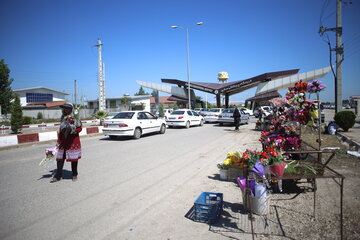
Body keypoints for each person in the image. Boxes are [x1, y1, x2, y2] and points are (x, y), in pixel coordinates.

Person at [50, 103, 82, 183]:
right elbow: (61, 129)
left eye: (67, 108)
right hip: (63, 141)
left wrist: (74, 130)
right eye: (64, 108)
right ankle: (58, 176)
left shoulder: (75, 117)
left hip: (72, 141)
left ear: (71, 109)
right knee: (60, 159)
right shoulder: (63, 117)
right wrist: (59, 140)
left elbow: (80, 128)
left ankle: (74, 175)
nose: (66, 109)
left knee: (74, 159)